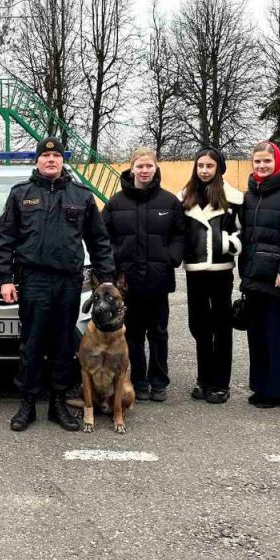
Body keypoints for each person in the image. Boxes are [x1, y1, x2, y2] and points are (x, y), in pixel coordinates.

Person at [0, 137, 116, 432]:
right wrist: (5, 279)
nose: (51, 160)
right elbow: (5, 239)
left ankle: (58, 404)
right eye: (45, 155)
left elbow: (99, 240)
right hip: (33, 280)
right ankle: (28, 404)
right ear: (37, 160)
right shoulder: (21, 194)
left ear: (63, 161)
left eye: (56, 156)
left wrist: (107, 277)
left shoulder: (81, 196)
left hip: (68, 281)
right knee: (32, 344)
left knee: (62, 344)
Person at [102, 147, 185, 403]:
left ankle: (159, 381)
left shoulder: (170, 202)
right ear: (131, 167)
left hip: (158, 280)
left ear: (156, 167)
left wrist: (171, 257)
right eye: (140, 166)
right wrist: (116, 262)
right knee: (133, 334)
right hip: (128, 283)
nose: (145, 170)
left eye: (149, 166)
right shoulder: (115, 203)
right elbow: (103, 237)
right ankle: (138, 380)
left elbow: (180, 235)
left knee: (159, 333)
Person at [238, 141, 280, 409]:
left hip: (276, 276)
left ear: (276, 162)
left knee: (274, 334)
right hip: (253, 274)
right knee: (256, 334)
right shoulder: (251, 194)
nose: (262, 165)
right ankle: (260, 385)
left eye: (267, 161)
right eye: (257, 161)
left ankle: (275, 390)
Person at [177, 147, 243, 405]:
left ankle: (220, 383)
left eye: (209, 166)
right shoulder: (184, 197)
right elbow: (178, 230)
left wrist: (225, 243)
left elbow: (243, 232)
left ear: (218, 168)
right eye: (200, 165)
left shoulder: (233, 199)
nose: (204, 170)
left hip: (220, 272)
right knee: (198, 326)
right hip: (194, 272)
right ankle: (203, 379)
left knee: (221, 328)